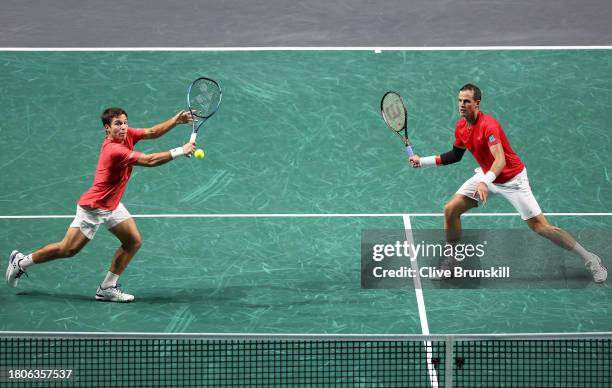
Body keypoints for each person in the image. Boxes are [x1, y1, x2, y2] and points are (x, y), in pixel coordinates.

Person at [409, 84, 607, 283]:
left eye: (467, 101)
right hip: (487, 176)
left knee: (541, 228)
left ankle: (590, 259)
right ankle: (453, 260)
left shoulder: (489, 126)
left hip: (513, 180)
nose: (461, 105)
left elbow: (500, 160)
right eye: (460, 100)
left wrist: (485, 182)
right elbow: (455, 155)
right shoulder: (462, 126)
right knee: (451, 209)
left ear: (477, 103)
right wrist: (422, 161)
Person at [6, 107, 197, 301]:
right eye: (117, 124)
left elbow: (152, 132)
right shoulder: (114, 150)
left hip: (112, 204)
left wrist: (175, 120)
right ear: (107, 128)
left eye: (124, 122)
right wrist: (180, 150)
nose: (123, 127)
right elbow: (149, 160)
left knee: (133, 242)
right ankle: (21, 262)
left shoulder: (127, 135)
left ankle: (107, 288)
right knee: (68, 249)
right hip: (95, 207)